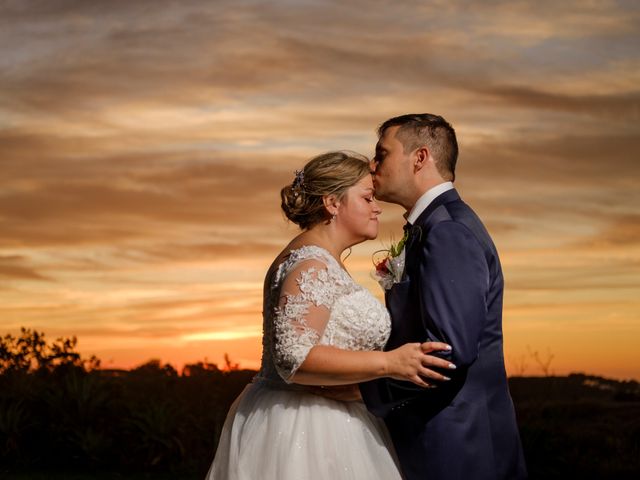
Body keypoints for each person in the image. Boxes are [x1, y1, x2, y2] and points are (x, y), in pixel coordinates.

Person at [206, 151, 454, 479]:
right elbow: (294, 357)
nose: (377, 206)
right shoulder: (311, 263)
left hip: (340, 418)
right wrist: (391, 363)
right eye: (367, 198)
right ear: (332, 203)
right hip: (304, 428)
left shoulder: (322, 259)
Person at [360, 114, 528, 479]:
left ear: (419, 158)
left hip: (457, 446)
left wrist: (362, 387)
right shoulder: (434, 225)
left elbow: (447, 353)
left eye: (381, 154)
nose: (372, 166)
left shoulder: (448, 230)